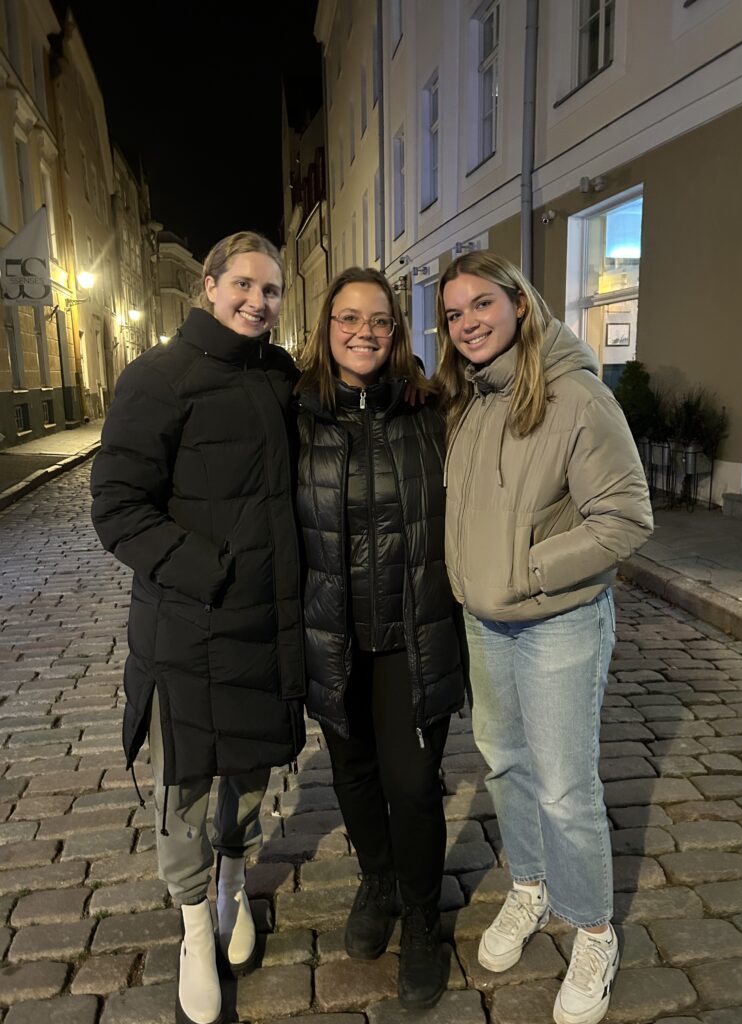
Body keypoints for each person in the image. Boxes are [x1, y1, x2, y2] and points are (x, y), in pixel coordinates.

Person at [91, 231, 306, 1024]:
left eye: (272, 290)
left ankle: (232, 884)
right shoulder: (156, 377)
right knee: (183, 786)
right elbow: (116, 509)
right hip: (187, 624)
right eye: (243, 285)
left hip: (265, 624)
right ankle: (191, 925)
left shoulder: (281, 376)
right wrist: (208, 569)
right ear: (208, 286)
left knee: (249, 775)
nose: (258, 301)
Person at [436, 251, 653, 1024]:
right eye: (455, 314)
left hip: (556, 619)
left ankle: (593, 928)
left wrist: (529, 569)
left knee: (565, 785)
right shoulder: (471, 400)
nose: (468, 324)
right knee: (504, 763)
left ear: (519, 303)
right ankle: (528, 886)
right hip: (484, 621)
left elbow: (627, 517)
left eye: (481, 306)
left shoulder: (579, 397)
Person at [295, 267, 465, 1010]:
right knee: (354, 778)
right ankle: (379, 880)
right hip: (333, 633)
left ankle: (424, 919)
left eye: (379, 320)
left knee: (413, 786)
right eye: (348, 318)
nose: (364, 331)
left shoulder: (432, 411)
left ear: (397, 333)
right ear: (326, 327)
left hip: (411, 634)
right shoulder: (295, 413)